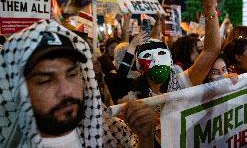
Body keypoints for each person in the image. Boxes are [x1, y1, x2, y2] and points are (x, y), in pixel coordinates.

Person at [0, 20, 154, 148]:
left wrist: (145, 138)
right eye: (46, 80)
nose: (66, 90)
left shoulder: (103, 125)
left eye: (72, 74)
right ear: (17, 88)